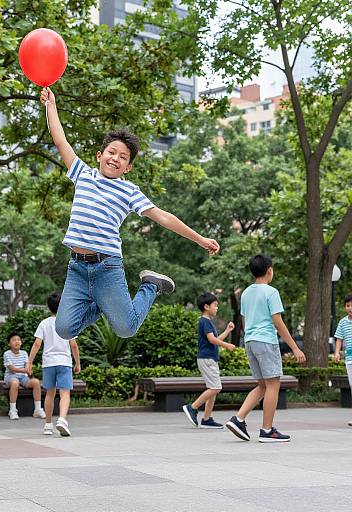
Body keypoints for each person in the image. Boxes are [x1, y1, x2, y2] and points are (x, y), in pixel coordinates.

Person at [40, 87, 220, 341]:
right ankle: (106, 304)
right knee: (64, 329)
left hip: (107, 266)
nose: (115, 159)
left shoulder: (128, 190)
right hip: (77, 268)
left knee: (126, 329)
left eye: (123, 157)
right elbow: (60, 140)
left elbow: (162, 216)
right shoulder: (83, 174)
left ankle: (150, 286)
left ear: (128, 167)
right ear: (100, 155)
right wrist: (51, 105)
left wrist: (200, 239)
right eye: (111, 153)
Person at [226, 254, 306, 443]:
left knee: (262, 385)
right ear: (269, 270)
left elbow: (244, 321)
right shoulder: (271, 292)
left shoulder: (245, 293)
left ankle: (238, 419)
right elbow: (277, 321)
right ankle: (267, 430)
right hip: (266, 341)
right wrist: (295, 348)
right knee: (272, 385)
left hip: (250, 341)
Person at [28, 292, 81, 436]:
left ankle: (47, 425)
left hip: (48, 363)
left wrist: (30, 362)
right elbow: (74, 346)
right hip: (64, 362)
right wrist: (78, 363)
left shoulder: (44, 323)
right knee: (65, 393)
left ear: (48, 307)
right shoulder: (67, 323)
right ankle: (62, 420)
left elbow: (37, 344)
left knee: (50, 394)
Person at [182, 292, 235, 429]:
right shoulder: (204, 321)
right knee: (215, 387)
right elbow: (213, 340)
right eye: (215, 305)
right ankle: (192, 407)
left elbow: (215, 340)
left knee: (213, 388)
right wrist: (227, 346)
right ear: (206, 306)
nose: (217, 308)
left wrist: (228, 330)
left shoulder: (207, 322)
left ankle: (207, 419)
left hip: (209, 358)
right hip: (207, 359)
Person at [3, 333, 45, 420]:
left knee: (36, 382)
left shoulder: (24, 353)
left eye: (18, 340)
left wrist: (28, 369)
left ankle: (37, 409)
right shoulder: (7, 354)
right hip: (11, 377)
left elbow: (27, 365)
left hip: (23, 377)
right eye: (14, 340)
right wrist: (25, 370)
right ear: (9, 344)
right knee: (15, 383)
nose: (17, 342)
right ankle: (13, 410)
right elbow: (12, 369)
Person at [333, 294, 352, 427]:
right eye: (347, 305)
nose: (350, 308)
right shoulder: (343, 322)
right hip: (350, 359)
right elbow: (339, 339)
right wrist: (336, 353)